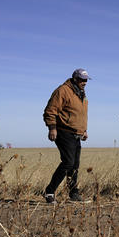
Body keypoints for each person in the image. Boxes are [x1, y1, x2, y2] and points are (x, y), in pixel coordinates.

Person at [43, 68, 90, 203]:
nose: (84, 82)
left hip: (77, 133)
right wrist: (52, 128)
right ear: (75, 78)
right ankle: (49, 192)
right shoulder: (63, 90)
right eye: (82, 79)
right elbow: (50, 111)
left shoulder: (81, 93)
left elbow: (80, 115)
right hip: (63, 131)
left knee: (75, 165)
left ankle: (73, 194)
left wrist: (84, 130)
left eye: (86, 80)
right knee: (68, 162)